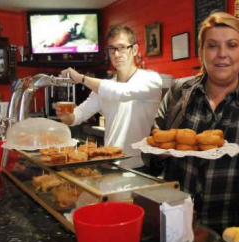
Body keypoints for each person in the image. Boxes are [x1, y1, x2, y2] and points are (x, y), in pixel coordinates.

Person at [143, 12, 239, 234]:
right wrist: (160, 153)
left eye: (231, 45)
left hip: (233, 230)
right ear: (202, 52)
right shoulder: (178, 93)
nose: (222, 54)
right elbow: (151, 148)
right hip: (177, 223)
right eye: (212, 46)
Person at [57, 25, 163, 171]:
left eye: (122, 47)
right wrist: (66, 116)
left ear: (135, 50)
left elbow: (121, 92)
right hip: (110, 163)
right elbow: (78, 115)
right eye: (112, 49)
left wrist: (81, 78)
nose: (117, 54)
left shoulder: (151, 79)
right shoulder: (106, 86)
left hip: (140, 166)